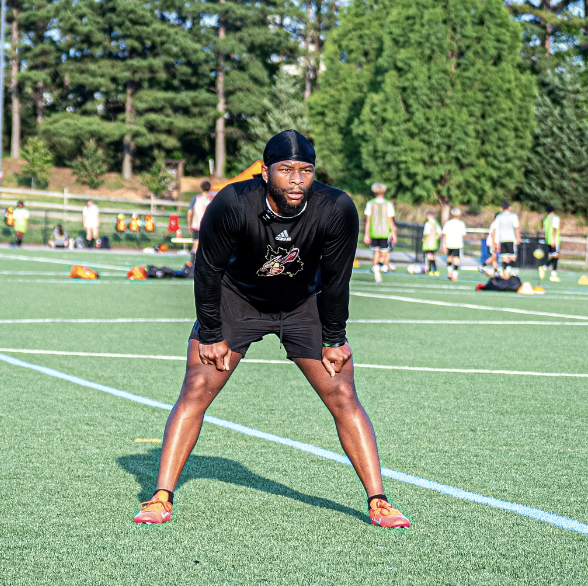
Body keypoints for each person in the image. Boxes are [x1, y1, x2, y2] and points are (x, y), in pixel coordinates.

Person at [134, 130, 411, 530]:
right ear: (265, 172)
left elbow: (337, 280)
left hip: (303, 304)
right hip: (238, 299)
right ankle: (161, 496)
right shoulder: (232, 202)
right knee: (196, 386)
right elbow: (207, 271)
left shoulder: (336, 208)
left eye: (305, 171)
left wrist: (334, 338)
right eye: (286, 170)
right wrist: (211, 333)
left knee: (343, 391)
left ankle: (379, 500)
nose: (297, 179)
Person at [362, 183, 397, 283]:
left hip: (374, 232)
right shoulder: (388, 204)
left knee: (376, 252)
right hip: (385, 232)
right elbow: (391, 221)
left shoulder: (370, 203)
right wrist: (394, 233)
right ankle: (383, 266)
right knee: (384, 252)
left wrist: (366, 234)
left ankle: (375, 268)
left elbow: (368, 221)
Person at [187, 180, 213, 261]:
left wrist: (189, 224)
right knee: (206, 245)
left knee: (195, 244)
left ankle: (193, 263)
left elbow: (189, 212)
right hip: (207, 226)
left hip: (197, 225)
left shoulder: (196, 198)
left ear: (201, 188)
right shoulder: (211, 200)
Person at [493, 201, 520, 276]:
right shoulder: (513, 216)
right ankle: (510, 270)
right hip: (511, 238)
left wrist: (495, 240)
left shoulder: (499, 216)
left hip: (502, 239)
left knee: (504, 257)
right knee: (513, 257)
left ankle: (505, 271)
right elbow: (516, 228)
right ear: (509, 207)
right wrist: (518, 237)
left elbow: (494, 229)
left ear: (501, 208)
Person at [442, 207, 467, 281]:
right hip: (457, 243)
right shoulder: (461, 223)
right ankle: (455, 274)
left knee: (449, 257)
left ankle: (449, 272)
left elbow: (445, 234)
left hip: (449, 243)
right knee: (456, 258)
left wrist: (444, 244)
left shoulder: (448, 223)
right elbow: (463, 234)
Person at [539, 205, 561, 282]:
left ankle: (548, 270)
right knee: (556, 256)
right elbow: (554, 229)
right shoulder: (555, 218)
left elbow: (543, 231)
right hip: (554, 240)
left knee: (554, 256)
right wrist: (554, 240)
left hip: (548, 240)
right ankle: (551, 272)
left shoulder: (546, 219)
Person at [479, 212, 499, 277]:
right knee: (494, 256)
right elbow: (493, 234)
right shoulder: (495, 224)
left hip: (495, 242)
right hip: (493, 242)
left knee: (494, 257)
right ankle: (482, 266)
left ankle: (495, 271)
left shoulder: (498, 224)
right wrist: (494, 243)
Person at [422, 211, 442, 276]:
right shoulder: (436, 223)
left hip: (428, 243)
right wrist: (436, 238)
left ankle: (430, 270)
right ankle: (435, 270)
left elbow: (427, 233)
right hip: (434, 243)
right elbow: (440, 233)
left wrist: (424, 238)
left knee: (429, 256)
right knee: (432, 256)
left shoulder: (428, 224)